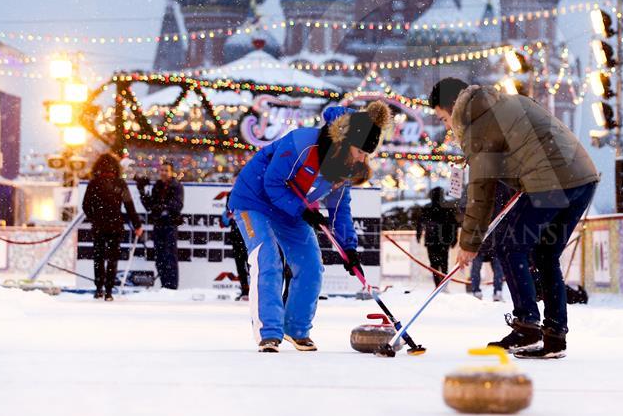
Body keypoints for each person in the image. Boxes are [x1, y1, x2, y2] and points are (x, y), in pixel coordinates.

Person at [430, 78, 600, 360]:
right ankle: (555, 335)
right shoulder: (509, 101)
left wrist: (469, 242)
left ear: (453, 107)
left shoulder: (477, 124)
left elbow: (481, 191)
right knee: (545, 255)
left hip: (551, 180)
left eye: (444, 118)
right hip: (582, 178)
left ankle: (526, 326)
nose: (447, 127)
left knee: (509, 246)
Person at [228, 101, 390, 353]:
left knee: (312, 266)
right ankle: (269, 332)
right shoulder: (302, 143)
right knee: (268, 259)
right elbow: (272, 183)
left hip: (291, 208)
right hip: (254, 201)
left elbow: (339, 211)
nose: (362, 158)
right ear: (347, 143)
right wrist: (303, 210)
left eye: (366, 154)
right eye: (360, 151)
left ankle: (296, 329)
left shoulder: (345, 166)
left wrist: (350, 250)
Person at [82, 153, 143, 301]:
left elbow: (86, 206)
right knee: (112, 259)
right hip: (115, 225)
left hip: (99, 226)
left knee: (99, 258)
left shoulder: (94, 183)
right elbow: (129, 206)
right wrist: (137, 225)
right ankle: (109, 291)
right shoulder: (120, 184)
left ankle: (98, 289)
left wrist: (94, 218)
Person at [136, 161, 184, 290]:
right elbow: (149, 206)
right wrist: (141, 191)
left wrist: (162, 208)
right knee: (160, 256)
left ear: (171, 172)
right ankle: (164, 284)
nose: (163, 173)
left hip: (170, 225)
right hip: (158, 225)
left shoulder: (177, 186)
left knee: (170, 256)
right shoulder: (157, 186)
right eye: (161, 170)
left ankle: (172, 286)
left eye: (166, 170)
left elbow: (177, 205)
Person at [415, 187, 459, 287]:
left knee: (434, 264)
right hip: (444, 240)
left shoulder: (427, 207)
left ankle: (438, 284)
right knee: (444, 263)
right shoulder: (447, 207)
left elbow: (420, 223)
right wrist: (454, 238)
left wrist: (418, 235)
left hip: (432, 240)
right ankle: (443, 284)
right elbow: (454, 224)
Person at [221, 208, 250, 301]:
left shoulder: (252, 195)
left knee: (252, 265)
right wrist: (228, 216)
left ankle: (255, 290)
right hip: (236, 237)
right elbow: (224, 222)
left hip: (250, 236)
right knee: (240, 266)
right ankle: (245, 291)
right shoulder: (231, 196)